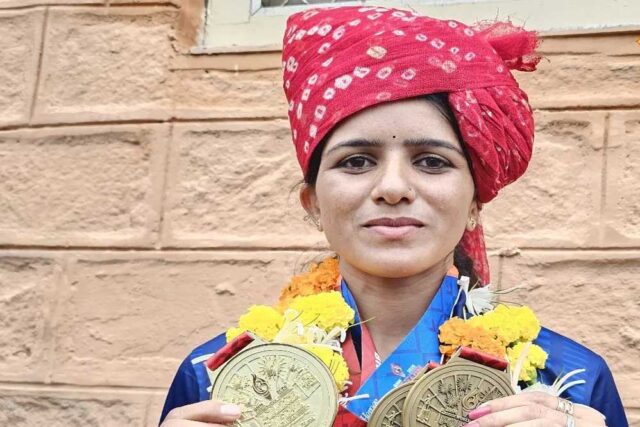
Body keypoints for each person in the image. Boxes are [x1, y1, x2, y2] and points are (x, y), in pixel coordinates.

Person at [158, 5, 628, 427]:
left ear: (474, 204)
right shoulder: (217, 379)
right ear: (313, 203)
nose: (393, 188)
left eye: (432, 161)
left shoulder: (566, 384)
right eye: (357, 161)